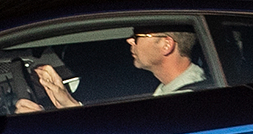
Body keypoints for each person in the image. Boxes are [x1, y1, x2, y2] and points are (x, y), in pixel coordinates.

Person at [11, 25, 203, 113]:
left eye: (139, 35)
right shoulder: (170, 88)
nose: (129, 40)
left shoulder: (187, 99)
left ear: (166, 45)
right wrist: (67, 103)